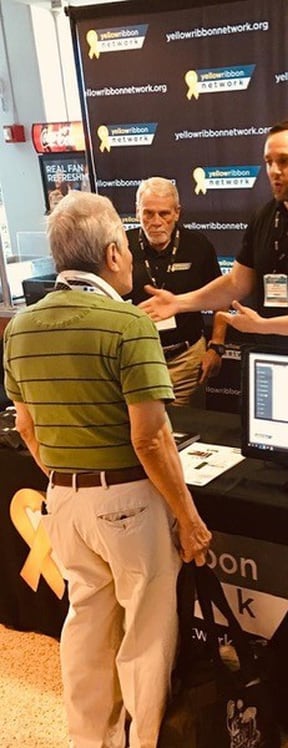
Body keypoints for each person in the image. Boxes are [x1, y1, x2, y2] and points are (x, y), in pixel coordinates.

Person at [3, 191, 212, 748]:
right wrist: (188, 518)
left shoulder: (20, 327)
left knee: (87, 624)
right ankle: (143, 741)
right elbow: (150, 438)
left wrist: (67, 475)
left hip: (63, 502)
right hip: (127, 504)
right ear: (115, 252)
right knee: (145, 635)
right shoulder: (128, 325)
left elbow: (26, 428)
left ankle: (89, 740)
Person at [139, 120, 288, 346]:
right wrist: (179, 303)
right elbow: (236, 284)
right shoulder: (266, 216)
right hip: (267, 352)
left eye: (284, 161)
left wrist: (265, 325)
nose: (274, 171)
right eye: (269, 162)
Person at [126, 176, 228, 405]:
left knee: (187, 432)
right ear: (137, 212)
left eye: (164, 214)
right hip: (138, 361)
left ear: (177, 213)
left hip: (186, 360)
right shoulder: (121, 246)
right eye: (148, 213)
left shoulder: (198, 245)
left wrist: (217, 346)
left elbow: (222, 298)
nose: (156, 221)